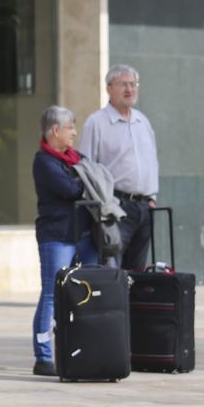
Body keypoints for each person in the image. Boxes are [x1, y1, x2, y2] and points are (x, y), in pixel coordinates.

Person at [31, 105, 100, 377]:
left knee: (86, 292)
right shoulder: (44, 162)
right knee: (51, 294)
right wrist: (83, 180)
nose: (75, 132)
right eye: (70, 127)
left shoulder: (74, 158)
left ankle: (83, 350)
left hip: (82, 236)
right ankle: (44, 356)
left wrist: (83, 178)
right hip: (56, 237)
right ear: (55, 130)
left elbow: (91, 174)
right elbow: (72, 188)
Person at [78, 64, 159, 271]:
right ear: (109, 88)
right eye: (123, 84)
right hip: (115, 207)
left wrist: (152, 199)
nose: (129, 89)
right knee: (113, 269)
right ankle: (116, 305)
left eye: (133, 84)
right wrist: (100, 207)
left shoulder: (143, 122)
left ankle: (133, 306)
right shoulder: (97, 123)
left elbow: (152, 161)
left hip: (144, 207)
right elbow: (86, 168)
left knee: (137, 272)